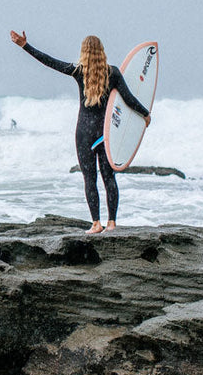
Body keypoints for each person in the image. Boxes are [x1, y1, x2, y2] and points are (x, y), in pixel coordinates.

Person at [10, 31, 150, 234]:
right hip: (105, 133)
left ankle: (96, 223)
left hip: (84, 132)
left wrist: (25, 46)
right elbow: (128, 99)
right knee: (109, 178)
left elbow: (49, 61)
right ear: (101, 52)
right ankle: (111, 223)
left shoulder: (78, 71)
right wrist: (145, 115)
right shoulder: (113, 73)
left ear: (84, 52)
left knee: (89, 179)